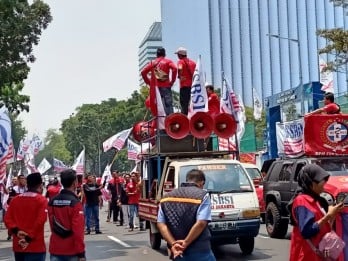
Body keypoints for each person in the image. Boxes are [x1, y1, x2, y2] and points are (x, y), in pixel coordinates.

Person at [157, 169, 216, 261]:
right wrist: (185, 243)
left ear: (187, 180)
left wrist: (173, 244)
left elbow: (161, 224)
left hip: (177, 252)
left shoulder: (166, 197)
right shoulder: (203, 195)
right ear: (201, 183)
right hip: (200, 250)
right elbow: (201, 223)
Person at [288, 164, 344, 261]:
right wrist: (328, 216)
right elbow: (307, 231)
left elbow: (322, 225)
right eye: (322, 182)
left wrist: (332, 215)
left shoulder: (315, 199)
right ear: (311, 183)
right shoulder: (302, 201)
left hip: (318, 254)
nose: (324, 186)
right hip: (306, 255)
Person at [4, 172, 47, 261]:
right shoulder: (41, 200)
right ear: (40, 185)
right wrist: (28, 238)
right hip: (35, 245)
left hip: (19, 244)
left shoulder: (15, 200)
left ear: (27, 184)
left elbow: (7, 219)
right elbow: (40, 221)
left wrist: (17, 231)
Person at [48, 169, 86, 261]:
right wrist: (81, 253)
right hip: (71, 251)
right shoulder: (75, 203)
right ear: (74, 183)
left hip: (55, 248)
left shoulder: (52, 201)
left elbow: (52, 224)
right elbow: (78, 231)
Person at [141, 47, 177, 116]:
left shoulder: (152, 63)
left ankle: (158, 122)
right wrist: (172, 81)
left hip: (156, 89)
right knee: (168, 106)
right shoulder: (168, 61)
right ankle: (171, 121)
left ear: (156, 54)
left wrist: (149, 82)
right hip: (166, 87)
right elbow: (174, 69)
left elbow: (143, 72)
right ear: (164, 54)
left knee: (157, 107)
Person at [175, 47, 196, 115]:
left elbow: (180, 68)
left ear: (180, 55)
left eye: (178, 54)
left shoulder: (180, 61)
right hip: (193, 86)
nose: (177, 56)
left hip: (184, 86)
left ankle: (184, 118)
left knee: (184, 103)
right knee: (193, 103)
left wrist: (179, 75)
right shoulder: (193, 63)